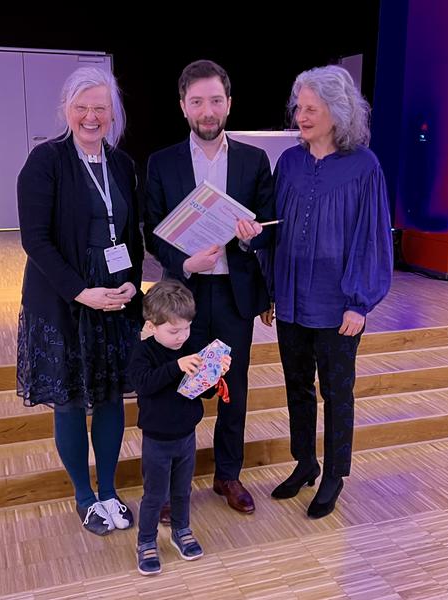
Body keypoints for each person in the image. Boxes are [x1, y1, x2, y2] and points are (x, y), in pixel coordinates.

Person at [16, 66, 144, 535]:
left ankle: (109, 491)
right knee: (70, 401)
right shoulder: (45, 161)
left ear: (113, 113)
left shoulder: (123, 165)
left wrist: (132, 283)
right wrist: (80, 290)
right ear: (67, 110)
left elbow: (130, 234)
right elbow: (35, 239)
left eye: (100, 108)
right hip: (64, 299)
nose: (91, 117)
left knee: (111, 399)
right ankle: (84, 496)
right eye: (82, 107)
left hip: (113, 296)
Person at [144, 59, 274, 515]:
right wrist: (185, 261)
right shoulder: (162, 163)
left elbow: (268, 227)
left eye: (215, 100)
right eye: (197, 101)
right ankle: (170, 485)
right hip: (185, 296)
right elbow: (152, 233)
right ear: (182, 107)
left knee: (231, 388)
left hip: (235, 295)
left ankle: (227, 475)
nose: (207, 110)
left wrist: (250, 235)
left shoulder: (254, 161)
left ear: (229, 104)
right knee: (181, 384)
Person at [264, 65, 393, 518]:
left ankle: (336, 473)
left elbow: (372, 236)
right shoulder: (290, 163)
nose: (301, 115)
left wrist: (360, 302)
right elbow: (273, 232)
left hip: (338, 306)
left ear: (337, 113)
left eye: (311, 109)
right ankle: (306, 462)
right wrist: (269, 291)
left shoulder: (364, 167)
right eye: (298, 107)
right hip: (292, 300)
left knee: (338, 391)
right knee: (296, 386)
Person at [128, 279, 231, 575]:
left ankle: (181, 530)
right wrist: (176, 366)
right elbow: (143, 384)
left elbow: (200, 391)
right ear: (152, 324)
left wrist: (214, 375)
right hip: (157, 439)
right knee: (154, 495)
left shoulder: (189, 347)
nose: (181, 336)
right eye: (174, 331)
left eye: (186, 329)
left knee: (183, 490)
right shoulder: (143, 352)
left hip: (186, 435)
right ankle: (146, 541)